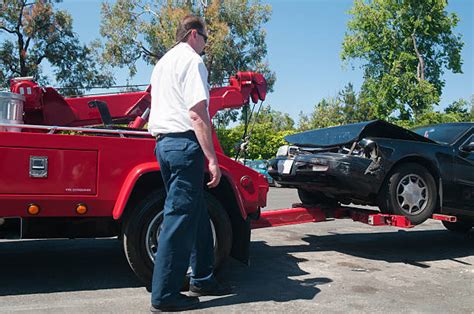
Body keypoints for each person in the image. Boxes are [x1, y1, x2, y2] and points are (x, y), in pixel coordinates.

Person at [147, 15, 230, 312]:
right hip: (184, 145)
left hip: (164, 145)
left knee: (195, 212)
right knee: (179, 218)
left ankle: (203, 278)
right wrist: (212, 158)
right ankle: (164, 296)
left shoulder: (162, 63)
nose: (206, 46)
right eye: (206, 39)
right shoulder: (192, 61)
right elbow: (197, 114)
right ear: (194, 35)